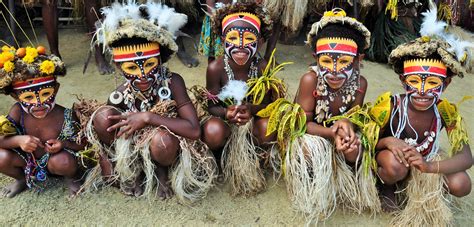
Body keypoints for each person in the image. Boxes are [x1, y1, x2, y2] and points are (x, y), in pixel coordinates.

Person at [83, 1, 216, 201]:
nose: (143, 75)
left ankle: (162, 172)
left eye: (149, 64)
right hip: (137, 148)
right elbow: (103, 128)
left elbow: (194, 130)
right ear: (120, 68)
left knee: (161, 140)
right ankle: (134, 169)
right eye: (132, 68)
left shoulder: (173, 82)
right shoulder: (119, 95)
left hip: (165, 147)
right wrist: (106, 159)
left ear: (160, 59)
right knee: (103, 116)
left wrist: (147, 117)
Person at [259, 8, 377, 222]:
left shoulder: (360, 84)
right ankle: (311, 181)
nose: (333, 70)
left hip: (336, 138)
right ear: (316, 58)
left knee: (356, 150)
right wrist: (331, 133)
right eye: (326, 61)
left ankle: (339, 178)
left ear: (358, 59)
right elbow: (301, 124)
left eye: (343, 62)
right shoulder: (310, 80)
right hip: (312, 134)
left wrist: (346, 126)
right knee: (307, 149)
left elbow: (354, 118)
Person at [372, 5, 472, 226]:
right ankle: (387, 186)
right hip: (394, 162)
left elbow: (466, 158)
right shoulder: (390, 105)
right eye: (414, 82)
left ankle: (427, 192)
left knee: (462, 183)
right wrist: (390, 141)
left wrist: (429, 167)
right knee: (394, 167)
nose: (423, 91)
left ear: (446, 84)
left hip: (425, 163)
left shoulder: (446, 112)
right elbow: (368, 142)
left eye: (433, 83)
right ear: (403, 81)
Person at [199, 2, 283, 196]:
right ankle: (220, 156)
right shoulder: (216, 68)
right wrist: (226, 113)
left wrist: (251, 110)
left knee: (268, 127)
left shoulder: (263, 67)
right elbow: (211, 106)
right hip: (225, 122)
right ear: (222, 40)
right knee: (213, 130)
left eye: (249, 39)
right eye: (233, 38)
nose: (240, 45)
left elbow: (270, 105)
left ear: (260, 41)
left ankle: (254, 155)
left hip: (252, 123)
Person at [0, 45, 87, 197]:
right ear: (15, 97)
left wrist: (64, 144)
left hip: (56, 162)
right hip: (27, 161)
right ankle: (21, 180)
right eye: (28, 97)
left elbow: (85, 143)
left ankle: (70, 178)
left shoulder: (66, 114)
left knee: (64, 161)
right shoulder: (17, 111)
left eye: (46, 94)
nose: (38, 103)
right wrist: (18, 140)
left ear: (56, 89)